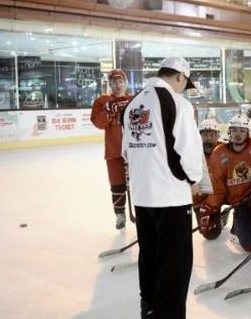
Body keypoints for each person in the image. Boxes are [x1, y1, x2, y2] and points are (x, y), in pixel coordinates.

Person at [121, 57, 204, 319]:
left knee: (149, 256)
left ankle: (149, 308)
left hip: (143, 197)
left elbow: (126, 152)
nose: (184, 89)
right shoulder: (178, 103)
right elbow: (189, 153)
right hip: (171, 197)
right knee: (175, 264)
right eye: (185, 83)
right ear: (179, 77)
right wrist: (193, 181)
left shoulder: (133, 103)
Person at [201, 113, 251, 265]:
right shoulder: (219, 153)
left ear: (248, 132)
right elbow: (218, 188)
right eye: (235, 130)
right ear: (229, 132)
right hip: (239, 200)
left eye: (242, 130)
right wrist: (209, 207)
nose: (238, 134)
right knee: (248, 246)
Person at [90, 69, 132, 230]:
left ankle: (144, 212)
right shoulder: (102, 101)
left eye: (120, 81)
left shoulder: (134, 99)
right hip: (114, 151)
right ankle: (119, 213)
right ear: (110, 84)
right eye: (114, 82)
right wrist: (108, 111)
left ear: (126, 82)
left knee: (141, 183)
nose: (118, 85)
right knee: (117, 184)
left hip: (137, 150)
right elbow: (98, 123)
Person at [193, 119, 225, 240]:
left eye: (212, 135)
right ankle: (220, 217)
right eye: (205, 135)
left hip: (223, 193)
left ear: (218, 136)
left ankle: (237, 221)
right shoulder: (192, 151)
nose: (208, 138)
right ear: (199, 136)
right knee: (210, 234)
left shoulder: (225, 149)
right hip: (203, 196)